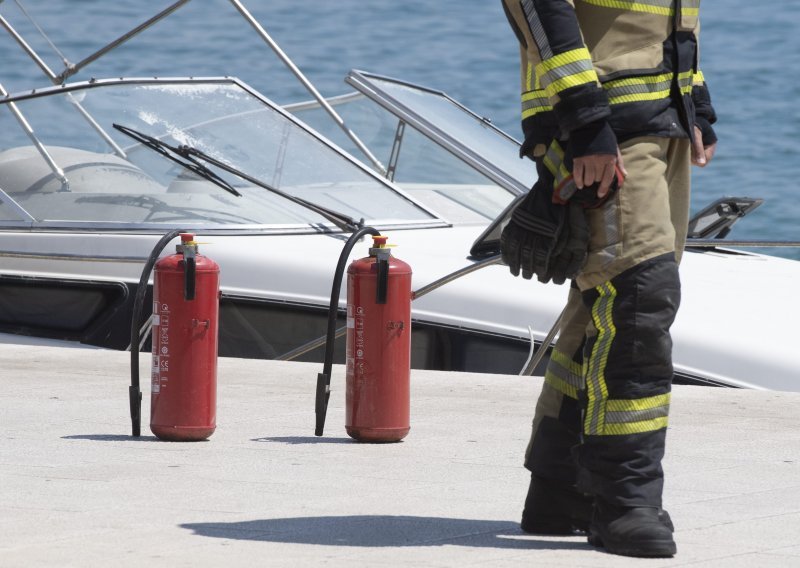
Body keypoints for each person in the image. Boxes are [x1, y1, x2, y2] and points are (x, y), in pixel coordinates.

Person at [499, 0, 717, 558]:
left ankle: (561, 488)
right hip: (606, 130)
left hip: (660, 123)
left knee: (604, 301)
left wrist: (696, 103)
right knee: (639, 302)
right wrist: (585, 123)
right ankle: (624, 502)